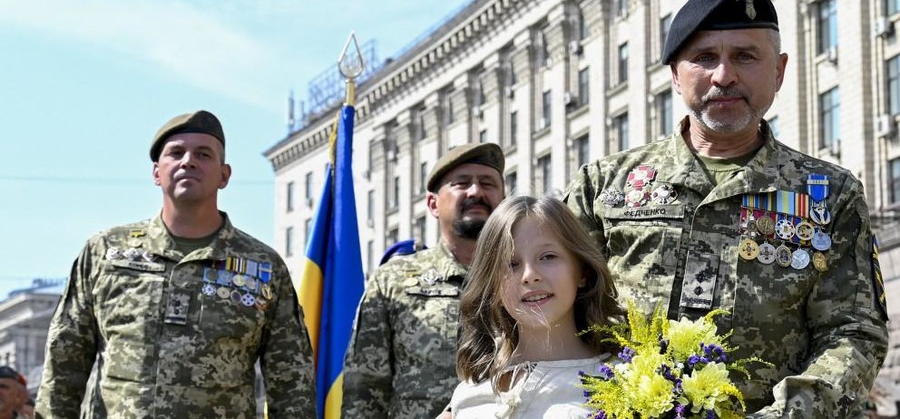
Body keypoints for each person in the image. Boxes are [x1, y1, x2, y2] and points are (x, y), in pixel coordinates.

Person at [564, 0, 889, 417]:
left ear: (779, 71)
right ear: (676, 76)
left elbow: (854, 332)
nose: (723, 75)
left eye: (745, 56)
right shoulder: (604, 185)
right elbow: (551, 313)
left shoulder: (830, 193)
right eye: (704, 58)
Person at [36, 111, 317, 418]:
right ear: (157, 172)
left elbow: (292, 386)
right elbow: (64, 365)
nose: (188, 162)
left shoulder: (263, 267)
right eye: (176, 153)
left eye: (203, 154)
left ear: (224, 175)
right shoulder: (106, 252)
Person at [341, 142, 506, 419]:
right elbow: (365, 388)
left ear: (503, 200)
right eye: (462, 183)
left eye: (487, 183)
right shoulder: (393, 282)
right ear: (433, 204)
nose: (476, 191)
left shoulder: (527, 277)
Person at [449, 196, 624, 418]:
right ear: (492, 285)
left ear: (582, 271)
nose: (530, 276)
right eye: (511, 264)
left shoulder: (624, 383)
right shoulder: (468, 394)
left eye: (548, 257)